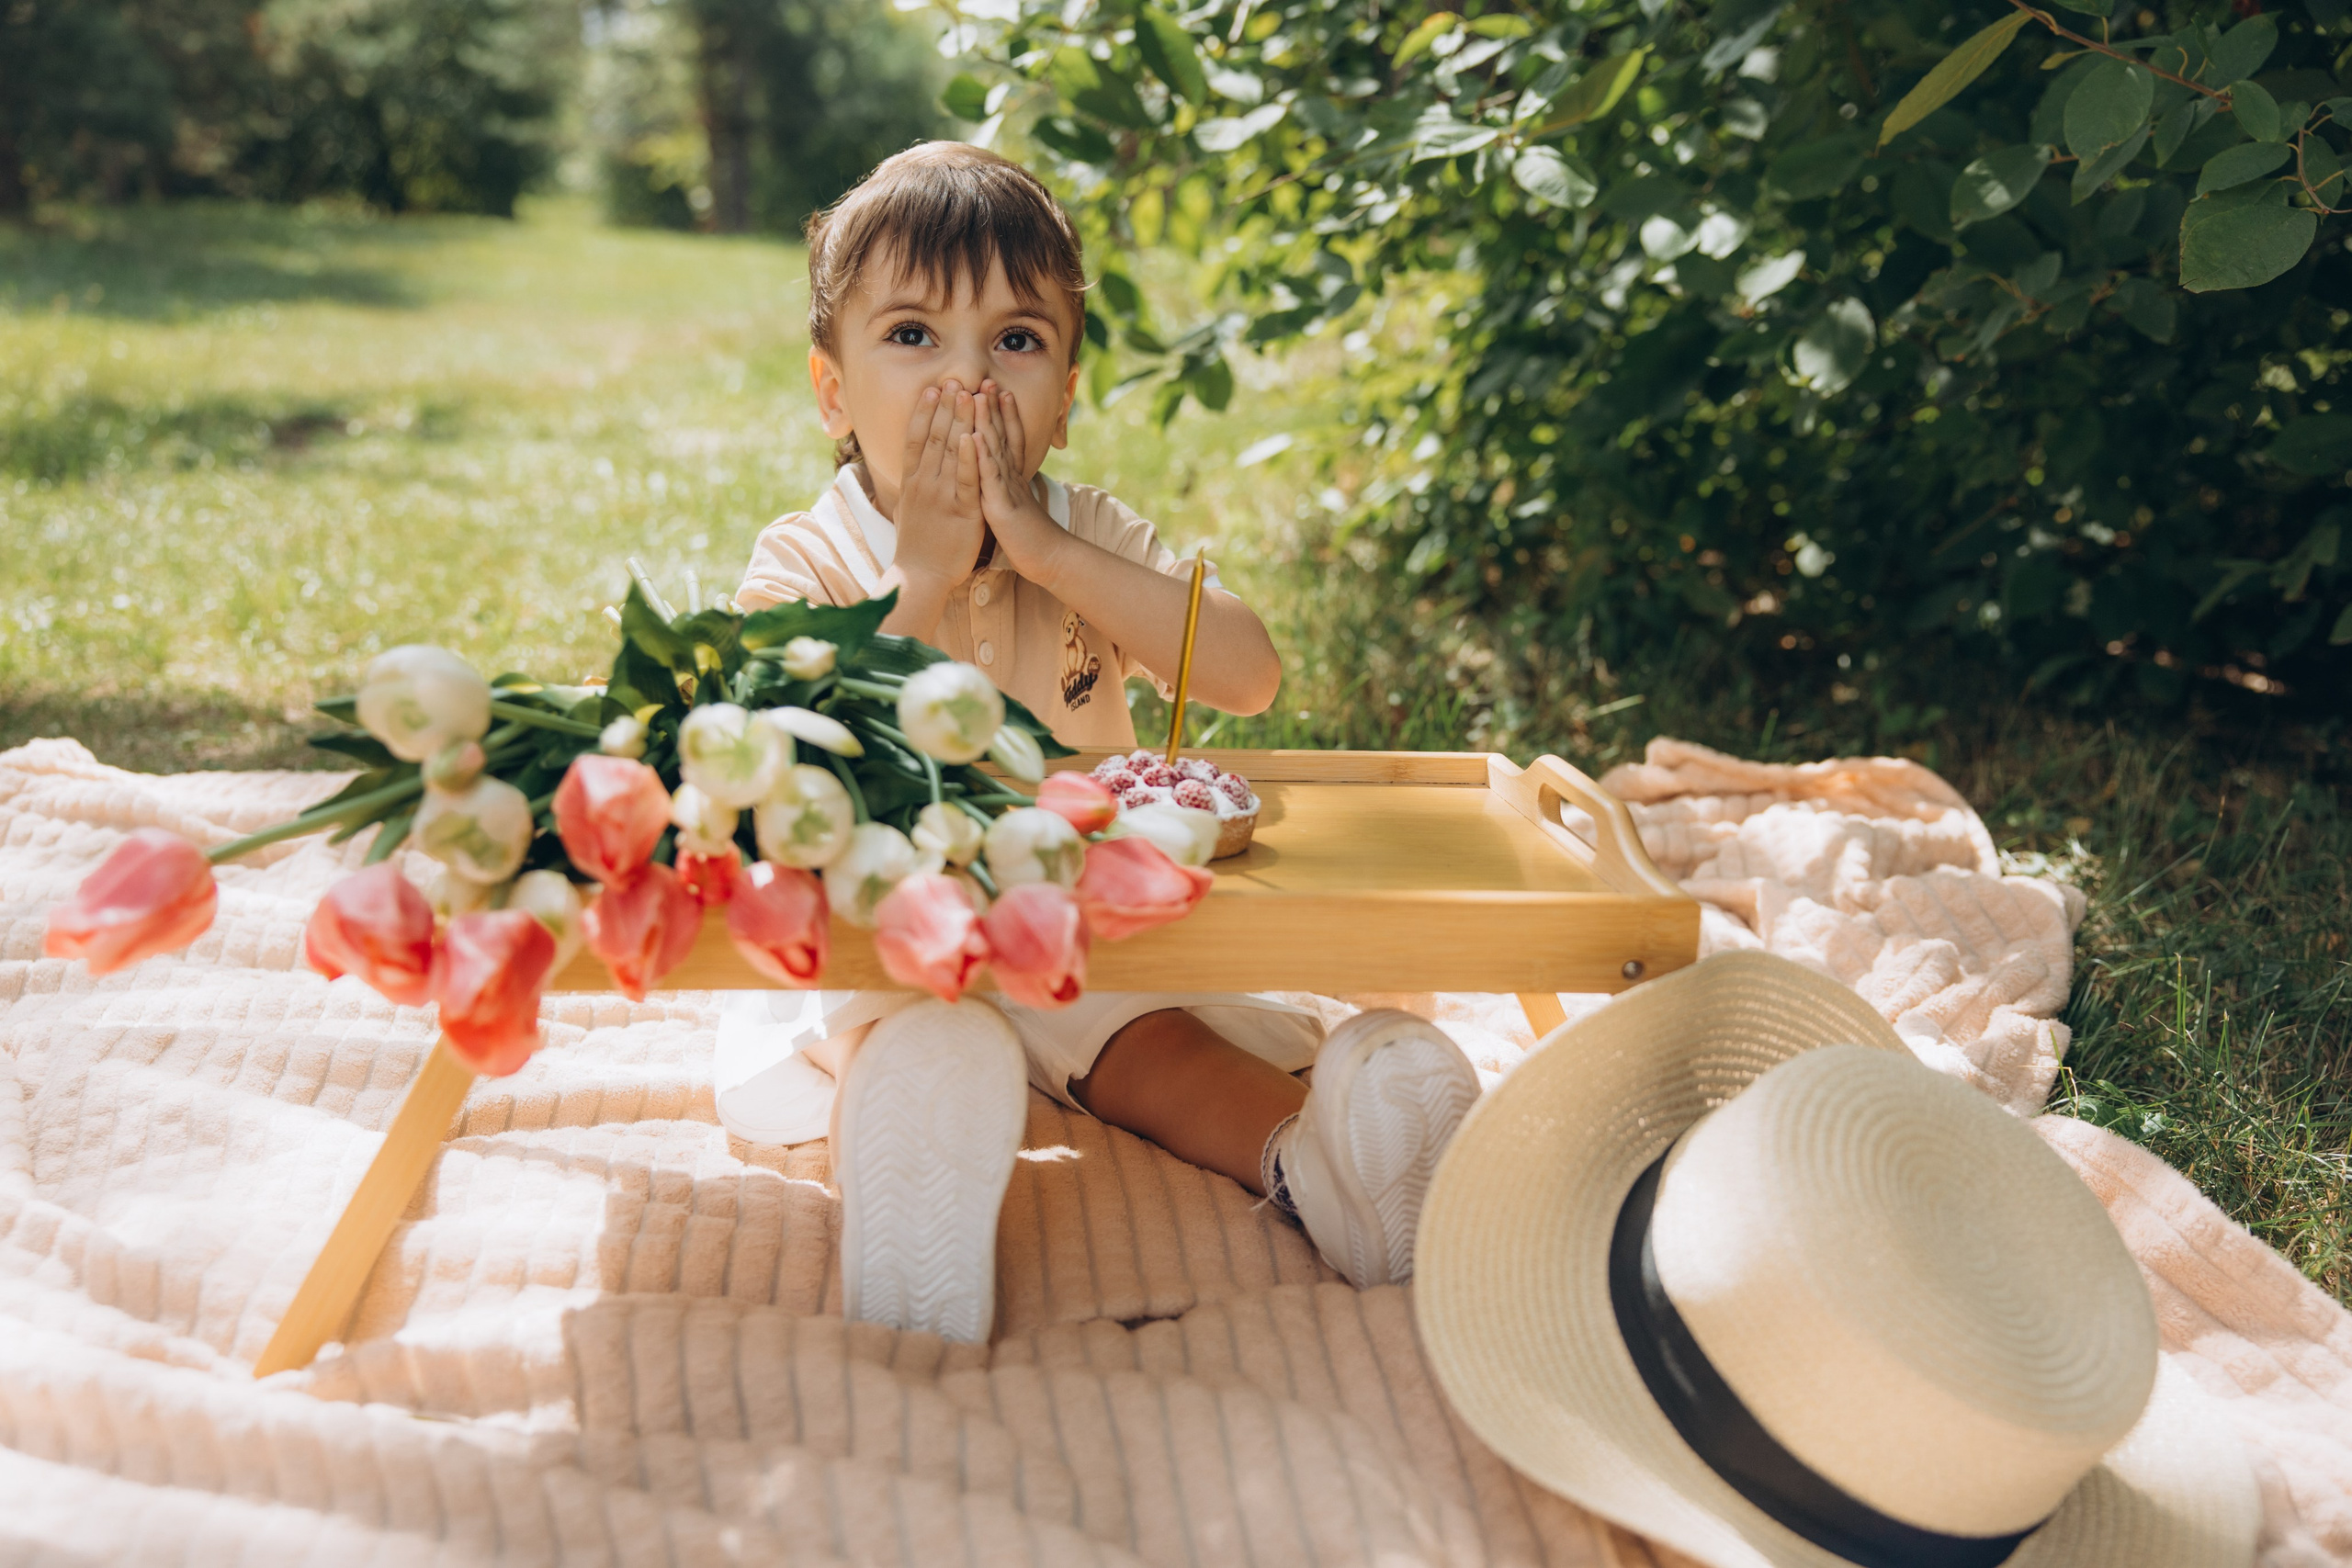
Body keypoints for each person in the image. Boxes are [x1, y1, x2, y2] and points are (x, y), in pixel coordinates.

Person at [718, 141, 1478, 1343]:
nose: (965, 382)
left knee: (1161, 1052)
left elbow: (1247, 671)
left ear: (1065, 393)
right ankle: (912, 1191)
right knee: (903, 1042)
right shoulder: (810, 558)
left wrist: (1052, 555)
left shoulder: (1089, 533)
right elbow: (798, 758)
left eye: (1015, 342)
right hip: (890, 922)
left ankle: (1327, 1174)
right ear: (832, 390)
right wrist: (918, 578)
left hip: (1075, 926)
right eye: (913, 336)